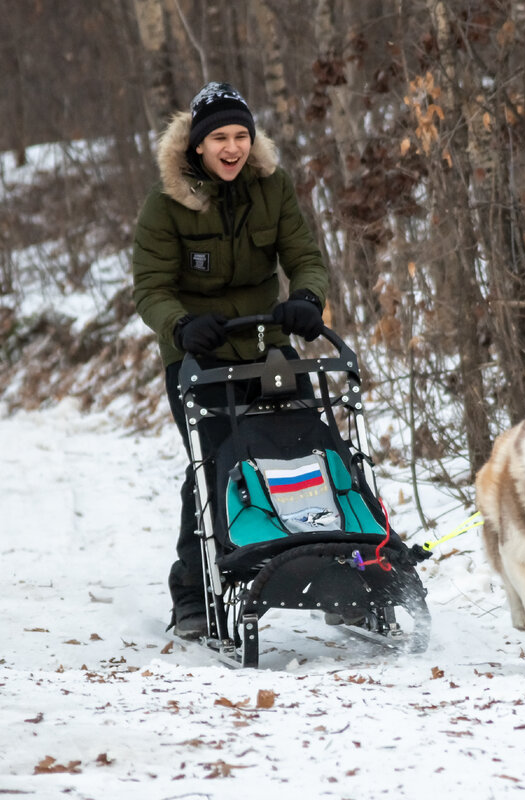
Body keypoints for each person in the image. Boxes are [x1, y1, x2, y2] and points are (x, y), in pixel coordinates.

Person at [131, 81, 330, 639]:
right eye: (220, 136)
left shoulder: (273, 187)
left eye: (241, 134)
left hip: (265, 346)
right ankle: (193, 592)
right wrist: (180, 324)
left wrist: (307, 299)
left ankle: (329, 572)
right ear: (197, 144)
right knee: (215, 462)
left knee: (304, 448)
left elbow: (305, 257)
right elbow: (149, 287)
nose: (233, 147)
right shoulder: (165, 204)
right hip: (196, 353)